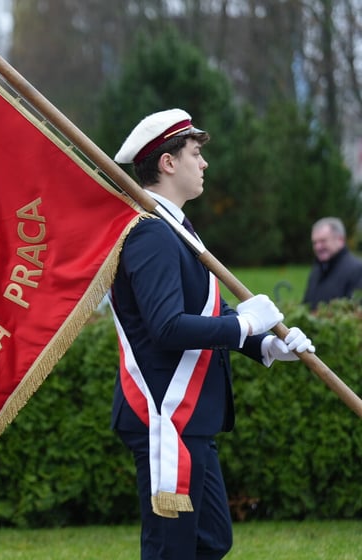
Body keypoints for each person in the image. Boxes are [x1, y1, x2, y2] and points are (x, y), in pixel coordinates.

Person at [109, 109, 314, 560]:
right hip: (164, 413)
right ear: (167, 163)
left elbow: (205, 311)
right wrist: (244, 322)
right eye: (195, 154)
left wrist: (265, 344)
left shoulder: (176, 229)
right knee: (173, 550)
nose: (203, 164)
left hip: (189, 417)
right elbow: (166, 327)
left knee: (210, 540)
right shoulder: (152, 234)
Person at [302, 217, 362, 309]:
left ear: (340, 240)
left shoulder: (357, 270)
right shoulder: (318, 269)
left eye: (323, 241)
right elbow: (306, 305)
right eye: (315, 242)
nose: (318, 247)